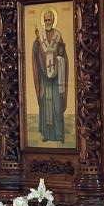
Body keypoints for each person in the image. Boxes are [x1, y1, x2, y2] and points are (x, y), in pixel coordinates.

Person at [32, 8, 68, 143]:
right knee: (45, 105)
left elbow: (63, 55)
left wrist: (60, 59)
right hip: (44, 77)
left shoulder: (58, 35)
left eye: (49, 20)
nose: (47, 22)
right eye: (45, 20)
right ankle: (47, 134)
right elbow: (36, 54)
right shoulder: (40, 36)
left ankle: (59, 135)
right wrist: (36, 44)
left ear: (53, 21)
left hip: (57, 77)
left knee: (57, 106)